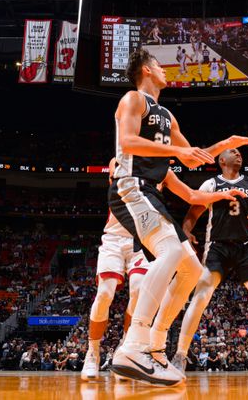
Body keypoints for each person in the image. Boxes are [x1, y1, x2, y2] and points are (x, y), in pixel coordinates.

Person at [108, 47, 248, 386]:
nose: (165, 70)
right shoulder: (132, 99)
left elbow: (191, 159)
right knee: (171, 252)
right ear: (145, 69)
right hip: (131, 187)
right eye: (158, 64)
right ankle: (133, 345)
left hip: (152, 194)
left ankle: (156, 346)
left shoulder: (167, 115)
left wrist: (222, 145)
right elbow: (127, 142)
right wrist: (176, 150)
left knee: (191, 269)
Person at [171, 148, 248, 380]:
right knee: (200, 299)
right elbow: (193, 213)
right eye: (232, 152)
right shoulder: (211, 184)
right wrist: (187, 231)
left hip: (246, 248)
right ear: (221, 160)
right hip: (217, 248)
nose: (238, 154)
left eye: (239, 152)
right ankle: (180, 355)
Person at [82, 158, 151, 380]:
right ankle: (92, 352)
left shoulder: (152, 174)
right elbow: (114, 166)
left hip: (137, 242)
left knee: (140, 289)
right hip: (112, 240)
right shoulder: (119, 161)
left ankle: (124, 350)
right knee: (104, 293)